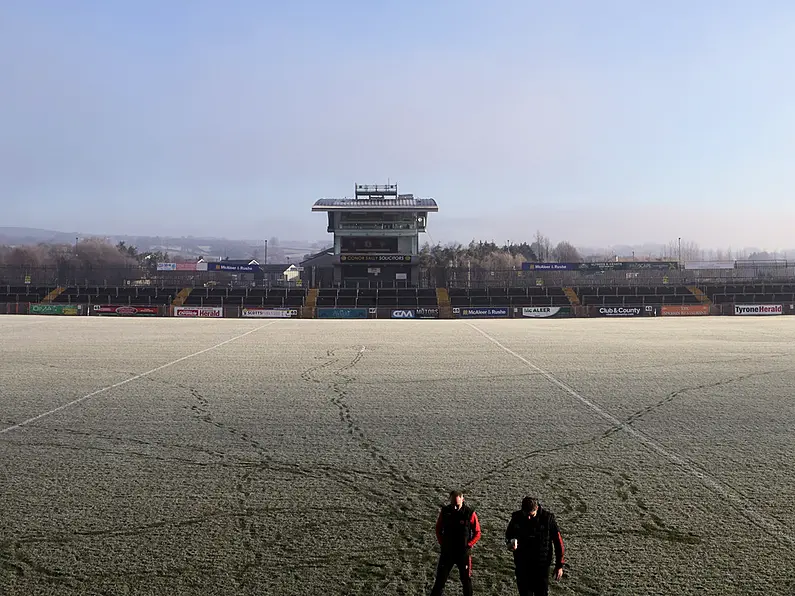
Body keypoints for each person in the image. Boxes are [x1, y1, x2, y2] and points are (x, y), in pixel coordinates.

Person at [505, 496, 565, 596]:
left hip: (541, 566)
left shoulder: (548, 519)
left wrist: (559, 565)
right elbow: (508, 535)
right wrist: (510, 543)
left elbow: (558, 542)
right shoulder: (516, 518)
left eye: (531, 515)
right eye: (526, 515)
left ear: (536, 509)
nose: (528, 518)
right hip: (523, 565)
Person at [430, 490, 482, 596]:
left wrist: (469, 545)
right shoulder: (445, 512)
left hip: (463, 554)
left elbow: (477, 532)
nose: (454, 507)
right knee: (440, 581)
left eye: (457, 505)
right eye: (453, 504)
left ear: (463, 500)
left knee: (466, 581)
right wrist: (442, 542)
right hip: (447, 552)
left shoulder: (469, 514)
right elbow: (438, 528)